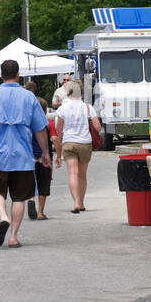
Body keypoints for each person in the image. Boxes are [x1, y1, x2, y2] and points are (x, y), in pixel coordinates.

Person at [0, 59, 51, 249]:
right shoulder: (28, 97)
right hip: (23, 155)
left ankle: (3, 217)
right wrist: (45, 152)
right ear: (18, 75)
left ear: (1, 76)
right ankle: (13, 237)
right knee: (19, 197)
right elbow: (40, 128)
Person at [56, 81, 98, 213]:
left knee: (72, 174)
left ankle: (76, 203)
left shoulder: (62, 108)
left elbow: (59, 130)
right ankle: (82, 202)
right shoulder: (88, 107)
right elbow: (97, 127)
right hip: (85, 143)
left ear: (68, 93)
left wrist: (59, 143)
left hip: (69, 143)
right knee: (82, 175)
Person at [27, 96, 58, 221]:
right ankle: (40, 212)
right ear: (45, 110)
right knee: (44, 184)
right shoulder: (48, 123)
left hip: (30, 158)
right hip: (45, 158)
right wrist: (59, 155)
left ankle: (30, 199)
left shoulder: (27, 124)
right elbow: (54, 139)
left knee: (31, 182)